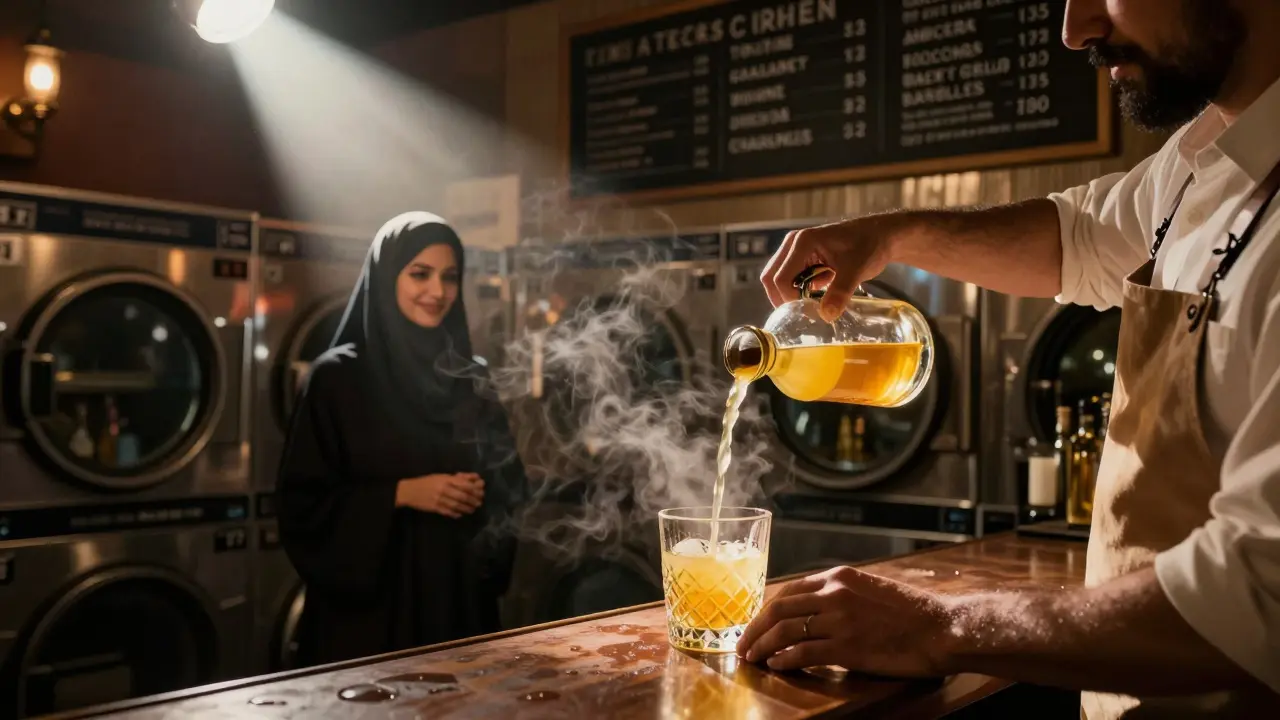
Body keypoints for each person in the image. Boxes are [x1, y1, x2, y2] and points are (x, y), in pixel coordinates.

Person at [737, 0, 1280, 717]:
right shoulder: (1197, 161)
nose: (1075, 30)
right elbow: (1078, 240)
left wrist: (940, 627)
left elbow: (1260, 591)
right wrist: (892, 234)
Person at [276, 211, 526, 666]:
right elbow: (302, 506)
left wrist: (486, 491)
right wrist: (403, 493)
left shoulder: (470, 378)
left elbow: (511, 488)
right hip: (368, 621)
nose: (437, 291)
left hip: (457, 608)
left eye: (450, 277)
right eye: (420, 273)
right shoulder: (338, 379)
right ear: (387, 276)